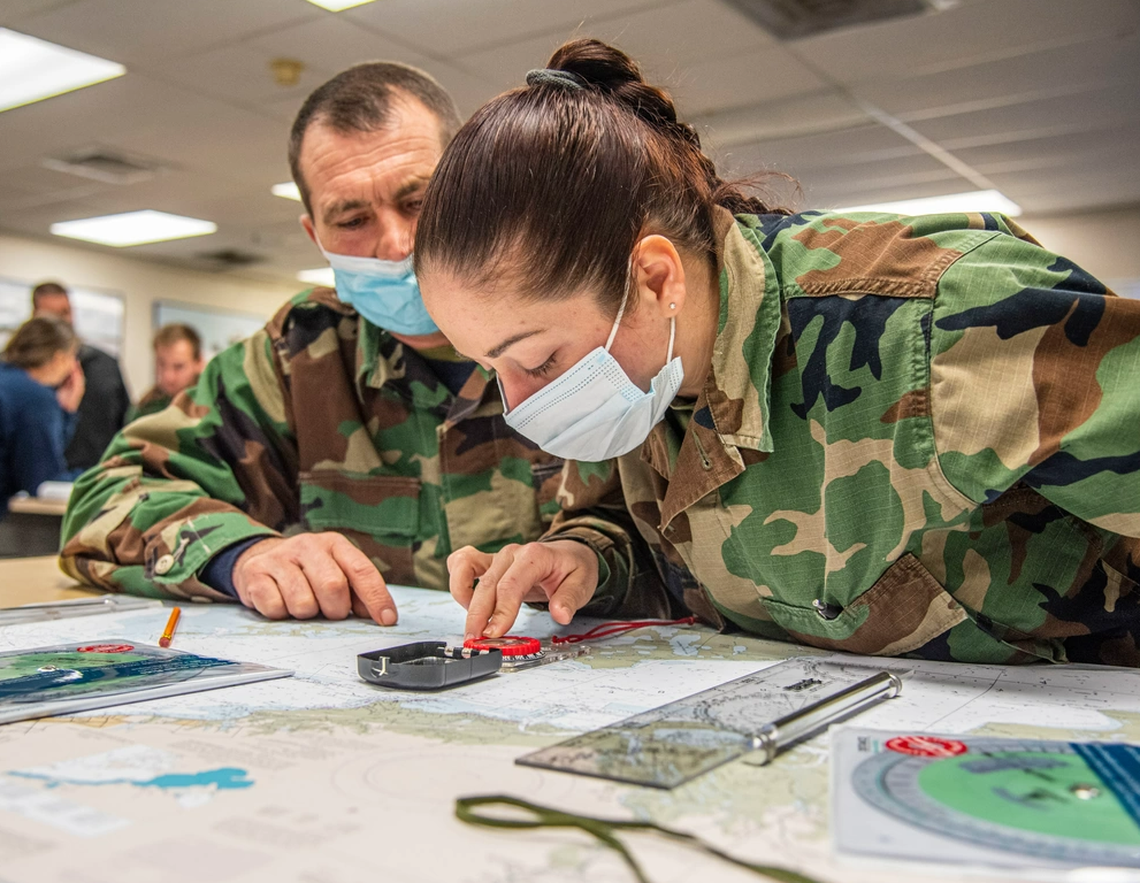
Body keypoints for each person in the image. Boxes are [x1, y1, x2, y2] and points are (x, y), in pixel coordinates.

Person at [414, 39, 1140, 667]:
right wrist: (580, 559)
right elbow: (684, 551)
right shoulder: (641, 374)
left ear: (655, 278)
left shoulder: (938, 326)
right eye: (492, 369)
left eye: (537, 361)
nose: (522, 402)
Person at [61, 62, 563, 625]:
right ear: (314, 236)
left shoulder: (577, 316)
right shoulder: (296, 356)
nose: (395, 245)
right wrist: (241, 556)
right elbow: (105, 501)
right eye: (351, 219)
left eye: (418, 202)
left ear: (475, 189)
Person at [31, 282, 131, 471]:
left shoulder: (105, 364)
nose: (63, 322)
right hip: (45, 478)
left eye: (65, 312)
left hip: (99, 472)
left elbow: (125, 422)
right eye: (52, 315)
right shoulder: (24, 374)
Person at [0, 317, 85, 517]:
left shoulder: (9, 382)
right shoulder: (35, 398)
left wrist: (63, 411)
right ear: (59, 358)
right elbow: (42, 480)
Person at [127, 323, 206, 421]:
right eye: (161, 364)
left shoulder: (215, 406)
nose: (168, 376)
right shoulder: (144, 409)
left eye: (179, 367)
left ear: (199, 362)